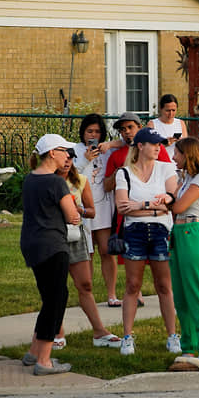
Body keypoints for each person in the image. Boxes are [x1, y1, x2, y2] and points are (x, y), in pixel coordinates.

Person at [115, 127, 180, 356]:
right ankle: (127, 336)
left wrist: (141, 206)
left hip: (161, 230)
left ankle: (172, 335)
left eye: (159, 144)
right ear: (140, 146)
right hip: (135, 231)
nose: (158, 148)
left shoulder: (166, 168)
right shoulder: (124, 173)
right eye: (153, 144)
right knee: (133, 284)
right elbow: (123, 206)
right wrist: (155, 207)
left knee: (164, 285)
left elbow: (172, 201)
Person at [20, 134, 79, 375]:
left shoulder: (29, 179)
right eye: (64, 151)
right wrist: (74, 212)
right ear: (52, 153)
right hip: (53, 244)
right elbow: (71, 215)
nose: (68, 156)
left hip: (32, 243)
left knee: (49, 297)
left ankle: (34, 350)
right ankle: (43, 360)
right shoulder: (56, 183)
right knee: (56, 300)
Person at [53, 151, 121, 350]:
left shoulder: (80, 180)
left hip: (75, 235)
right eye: (64, 157)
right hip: (54, 236)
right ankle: (57, 331)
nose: (67, 162)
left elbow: (91, 211)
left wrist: (79, 209)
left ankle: (99, 331)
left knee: (85, 284)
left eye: (71, 158)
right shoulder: (47, 181)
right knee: (57, 287)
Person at [167, 137, 199, 371]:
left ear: (187, 154)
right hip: (179, 234)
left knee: (198, 296)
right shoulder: (187, 177)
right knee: (181, 297)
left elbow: (178, 207)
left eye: (176, 154)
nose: (173, 157)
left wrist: (166, 200)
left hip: (192, 233)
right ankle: (188, 348)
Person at [72, 114, 124, 307]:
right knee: (87, 253)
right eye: (89, 131)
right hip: (83, 207)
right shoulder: (75, 149)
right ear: (83, 132)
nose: (93, 135)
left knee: (106, 251)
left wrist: (108, 145)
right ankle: (88, 295)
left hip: (103, 206)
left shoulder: (106, 150)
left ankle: (111, 294)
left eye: (97, 132)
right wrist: (85, 160)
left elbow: (127, 141)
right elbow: (71, 175)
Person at [147, 94, 188, 159]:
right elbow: (148, 148)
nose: (171, 113)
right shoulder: (152, 124)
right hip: (159, 163)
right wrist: (164, 144)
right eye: (168, 110)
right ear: (161, 109)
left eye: (173, 110)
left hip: (177, 163)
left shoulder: (181, 123)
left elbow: (187, 147)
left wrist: (181, 143)